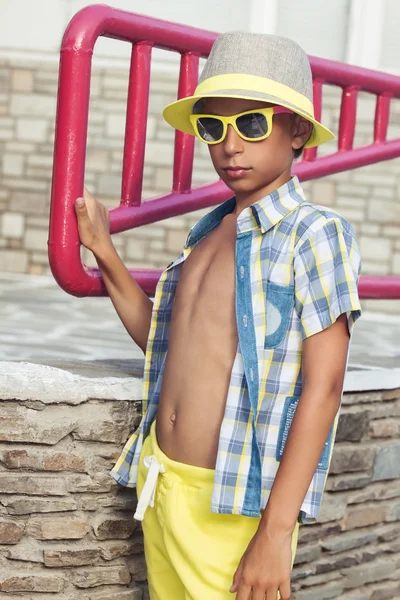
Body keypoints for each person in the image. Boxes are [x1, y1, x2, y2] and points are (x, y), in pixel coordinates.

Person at [75, 31, 362, 600]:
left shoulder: (314, 233)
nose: (231, 146)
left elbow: (324, 388)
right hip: (163, 484)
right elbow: (164, 343)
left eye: (251, 124)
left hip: (235, 507)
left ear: (296, 130)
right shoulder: (207, 231)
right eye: (213, 128)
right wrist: (104, 253)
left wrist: (275, 533)